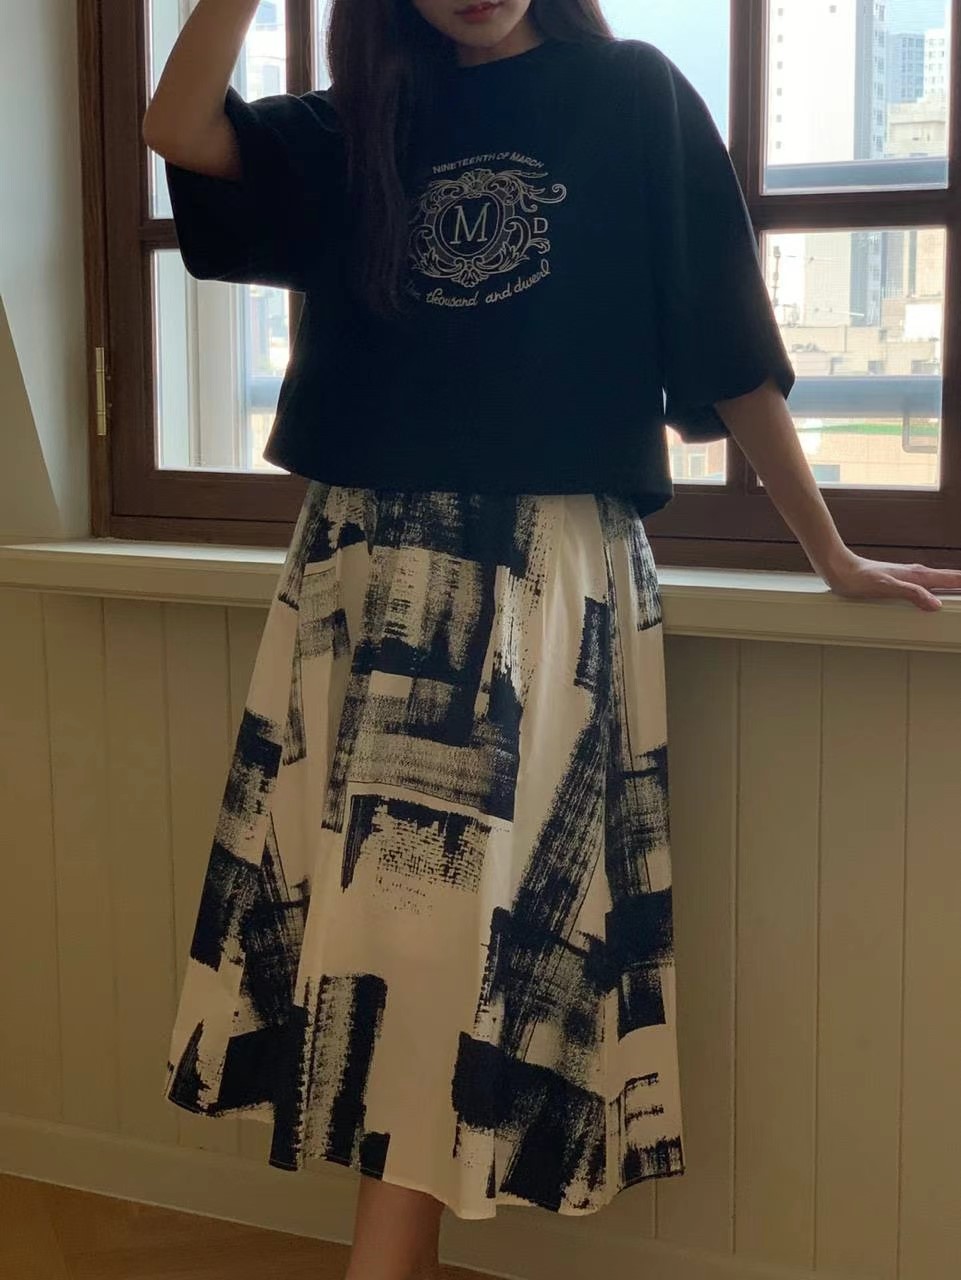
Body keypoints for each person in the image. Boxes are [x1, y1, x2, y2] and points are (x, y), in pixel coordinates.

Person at [143, 2, 961, 1277]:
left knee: (462, 932)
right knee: (388, 930)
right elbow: (177, 124)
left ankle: (384, 1259)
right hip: (368, 564)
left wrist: (831, 551)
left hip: (546, 569)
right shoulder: (368, 115)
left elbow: (731, 350)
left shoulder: (632, 98)